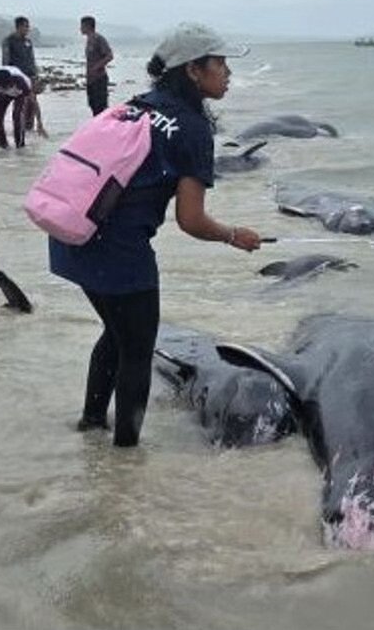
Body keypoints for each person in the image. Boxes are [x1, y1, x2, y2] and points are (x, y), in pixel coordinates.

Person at [49, 23, 263, 447]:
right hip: (119, 251)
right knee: (137, 350)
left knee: (116, 332)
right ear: (193, 71)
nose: (227, 72)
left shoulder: (138, 105)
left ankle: (92, 425)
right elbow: (191, 220)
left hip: (72, 235)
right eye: (219, 63)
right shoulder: (193, 129)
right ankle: (125, 457)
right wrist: (234, 235)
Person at [2, 15, 47, 136]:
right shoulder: (9, 41)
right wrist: (7, 80)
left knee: (31, 105)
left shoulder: (28, 42)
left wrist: (36, 76)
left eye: (28, 27)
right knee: (19, 105)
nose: (28, 29)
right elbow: (5, 61)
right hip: (17, 78)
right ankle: (19, 131)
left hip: (30, 77)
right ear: (19, 27)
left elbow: (31, 60)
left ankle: (30, 131)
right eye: (26, 27)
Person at [0, 66, 32, 149]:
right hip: (4, 94)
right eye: (3, 87)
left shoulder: (20, 80)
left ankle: (20, 146)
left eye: (7, 87)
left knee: (17, 116)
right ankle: (3, 146)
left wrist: (39, 123)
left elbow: (32, 101)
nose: (6, 89)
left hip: (20, 94)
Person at [81, 15, 114, 116]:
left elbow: (110, 55)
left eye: (82, 26)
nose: (80, 29)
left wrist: (97, 67)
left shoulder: (99, 39)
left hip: (99, 79)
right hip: (91, 80)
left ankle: (105, 130)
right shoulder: (89, 40)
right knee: (92, 105)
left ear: (88, 26)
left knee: (101, 108)